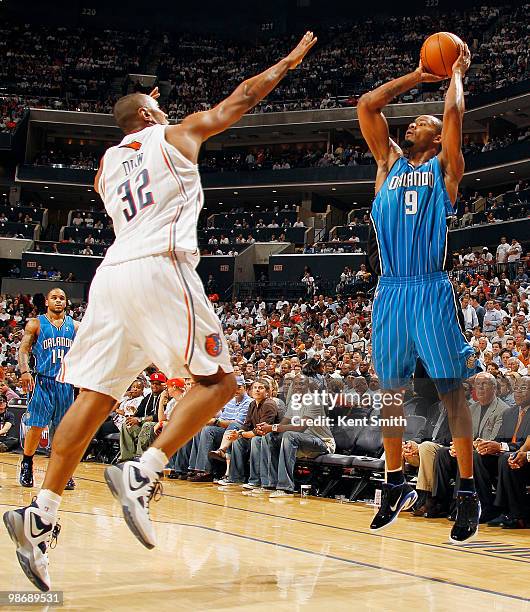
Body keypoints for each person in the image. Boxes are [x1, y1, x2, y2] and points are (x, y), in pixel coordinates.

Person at [3, 31, 317, 592]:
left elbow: (117, 173)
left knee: (95, 398)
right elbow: (238, 100)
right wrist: (287, 64)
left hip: (110, 278)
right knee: (222, 383)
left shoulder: (105, 167)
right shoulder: (173, 134)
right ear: (148, 113)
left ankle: (41, 512)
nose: (167, 109)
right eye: (158, 106)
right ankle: (143, 471)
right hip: (159, 264)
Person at [357, 43, 479, 542]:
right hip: (390, 291)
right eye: (411, 122)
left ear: (436, 136)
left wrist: (454, 75)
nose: (414, 124)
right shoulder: (387, 164)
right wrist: (416, 75)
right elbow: (367, 105)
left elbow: (453, 113)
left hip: (429, 288)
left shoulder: (445, 170)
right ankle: (393, 481)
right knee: (389, 392)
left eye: (422, 121)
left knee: (451, 392)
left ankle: (468, 493)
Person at [17, 288, 79, 489]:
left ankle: (63, 471)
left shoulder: (76, 326)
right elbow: (23, 350)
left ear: (66, 302)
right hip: (42, 382)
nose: (58, 301)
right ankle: (27, 463)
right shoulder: (35, 323)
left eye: (62, 298)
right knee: (36, 426)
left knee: (63, 431)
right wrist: (25, 372)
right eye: (54, 298)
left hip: (66, 383)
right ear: (47, 302)